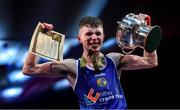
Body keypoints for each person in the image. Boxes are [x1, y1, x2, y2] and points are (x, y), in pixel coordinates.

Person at [22, 14, 158, 109]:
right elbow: (29, 69)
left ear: (103, 37)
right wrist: (40, 37)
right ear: (79, 38)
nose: (94, 37)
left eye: (98, 34)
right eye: (88, 34)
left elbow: (150, 61)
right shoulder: (72, 67)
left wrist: (145, 34)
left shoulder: (114, 60)